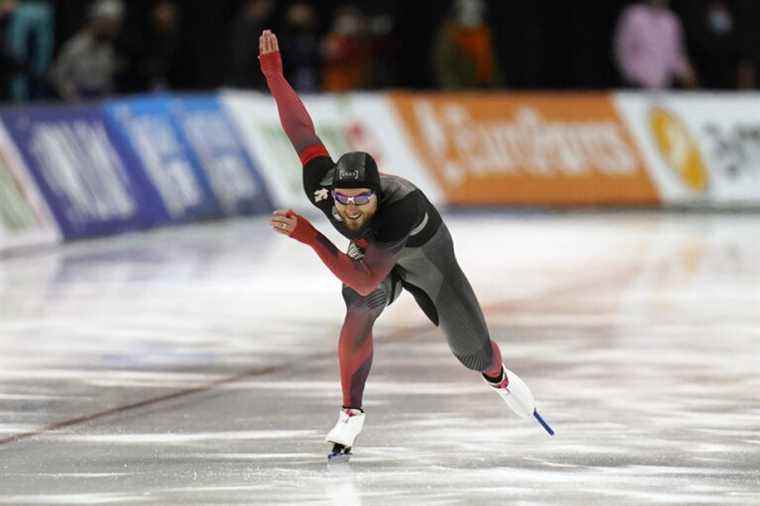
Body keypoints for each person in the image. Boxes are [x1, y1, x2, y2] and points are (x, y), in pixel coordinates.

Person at [258, 30, 548, 460]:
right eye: (343, 199)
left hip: (426, 260)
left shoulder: (401, 208)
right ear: (330, 191)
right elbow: (300, 128)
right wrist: (275, 76)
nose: (351, 209)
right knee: (359, 305)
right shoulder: (320, 185)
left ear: (379, 195)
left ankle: (500, 378)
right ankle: (351, 412)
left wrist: (312, 236)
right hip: (373, 258)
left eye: (362, 200)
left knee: (475, 355)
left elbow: (367, 273)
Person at [49, 0, 125, 101]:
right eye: (109, 24)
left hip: (101, 99)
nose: (113, 29)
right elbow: (58, 76)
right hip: (78, 100)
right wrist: (71, 96)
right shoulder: (76, 46)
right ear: (98, 21)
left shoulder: (109, 47)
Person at [613, 0, 698, 89]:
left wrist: (686, 73)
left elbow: (675, 55)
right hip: (635, 85)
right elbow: (622, 49)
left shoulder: (671, 20)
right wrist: (631, 76)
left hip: (662, 86)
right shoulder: (634, 15)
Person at [432, 0, 501, 90]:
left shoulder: (483, 36)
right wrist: (456, 90)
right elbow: (443, 70)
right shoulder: (449, 36)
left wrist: (498, 91)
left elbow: (492, 70)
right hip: (456, 93)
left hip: (480, 92)